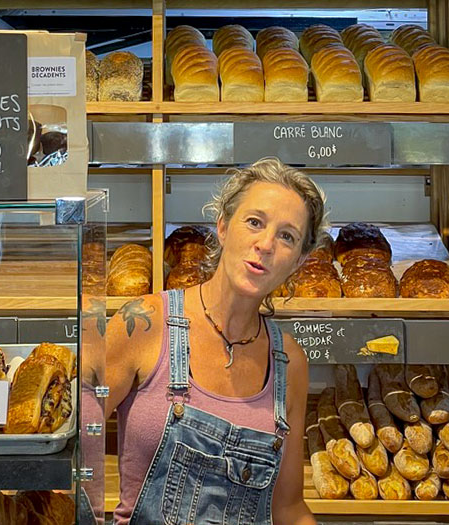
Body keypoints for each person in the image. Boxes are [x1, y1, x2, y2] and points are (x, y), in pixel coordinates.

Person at [105, 157, 326, 525]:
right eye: (254, 222)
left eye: (287, 236)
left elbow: (287, 508)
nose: (266, 244)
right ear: (223, 227)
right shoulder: (143, 323)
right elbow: (75, 451)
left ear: (299, 260)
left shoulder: (289, 362)